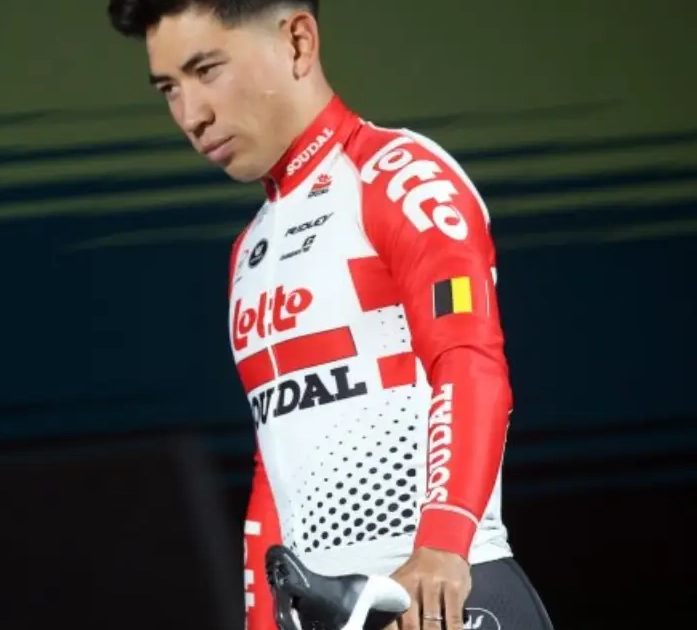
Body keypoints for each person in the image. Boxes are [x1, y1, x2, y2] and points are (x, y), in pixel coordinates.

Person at [106, 1, 553, 629]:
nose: (191, 115)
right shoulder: (250, 250)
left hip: (446, 595)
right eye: (169, 89)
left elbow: (467, 359)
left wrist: (442, 547)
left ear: (297, 42)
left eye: (207, 71)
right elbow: (275, 468)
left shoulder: (398, 175)